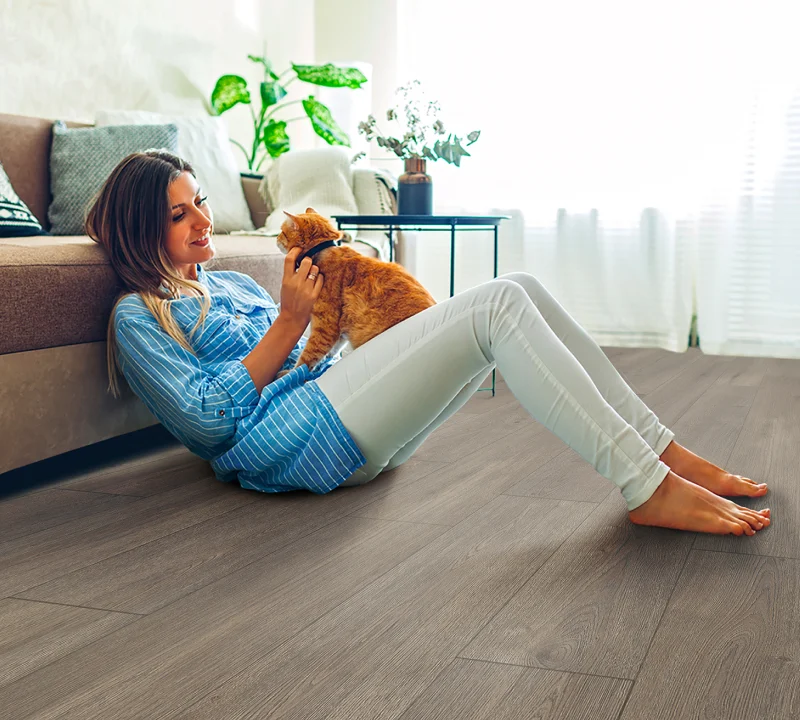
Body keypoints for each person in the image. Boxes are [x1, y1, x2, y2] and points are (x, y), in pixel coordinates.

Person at [87, 149, 771, 537]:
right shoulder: (137, 317)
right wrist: (291, 326)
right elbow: (208, 426)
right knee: (499, 304)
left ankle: (661, 449)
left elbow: (307, 351)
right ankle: (647, 486)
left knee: (521, 285)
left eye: (201, 200)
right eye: (180, 214)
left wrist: (349, 321)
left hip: (335, 413)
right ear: (139, 229)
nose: (204, 219)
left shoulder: (229, 284)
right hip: (290, 444)